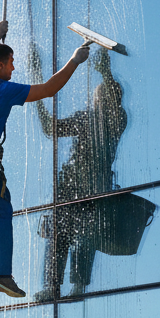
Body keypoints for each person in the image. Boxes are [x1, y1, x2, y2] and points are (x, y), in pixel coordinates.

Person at [0, 22, 93, 302]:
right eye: (10, 63)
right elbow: (49, 89)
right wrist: (75, 60)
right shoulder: (3, 89)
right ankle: (2, 276)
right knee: (0, 209)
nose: (13, 69)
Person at [31, 47, 128, 301]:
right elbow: (49, 128)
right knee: (58, 238)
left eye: (105, 96)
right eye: (99, 95)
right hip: (70, 186)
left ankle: (77, 286)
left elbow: (116, 108)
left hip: (94, 189)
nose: (98, 99)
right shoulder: (87, 117)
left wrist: (107, 73)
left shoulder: (115, 120)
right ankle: (53, 287)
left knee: (85, 237)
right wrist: (37, 80)